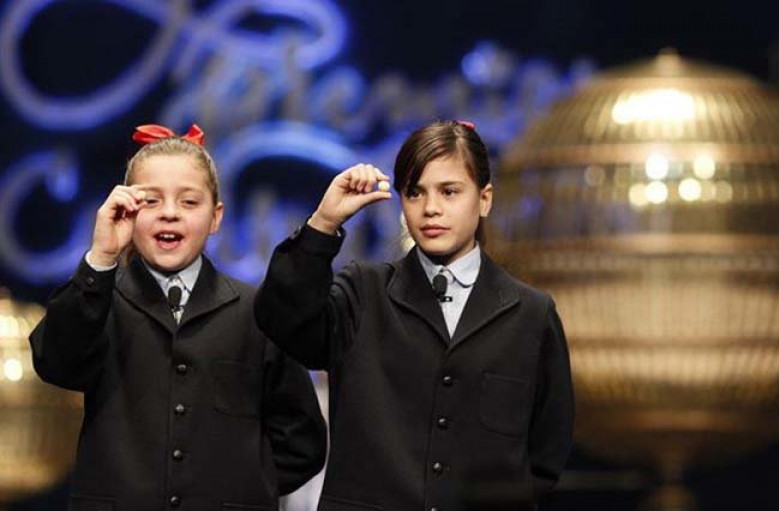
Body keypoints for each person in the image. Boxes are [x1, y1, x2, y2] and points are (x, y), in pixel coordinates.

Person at [255, 120, 574, 511]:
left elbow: (546, 453)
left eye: (449, 191)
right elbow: (282, 320)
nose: (431, 208)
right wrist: (324, 223)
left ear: (485, 198)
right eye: (415, 193)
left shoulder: (531, 315)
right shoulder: (363, 293)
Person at [29, 124, 327, 511]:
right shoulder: (97, 300)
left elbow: (302, 441)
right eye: (150, 201)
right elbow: (55, 362)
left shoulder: (258, 310)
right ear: (124, 211)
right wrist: (100, 258)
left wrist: (244, 487)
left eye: (189, 202)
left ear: (216, 216)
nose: (170, 213)